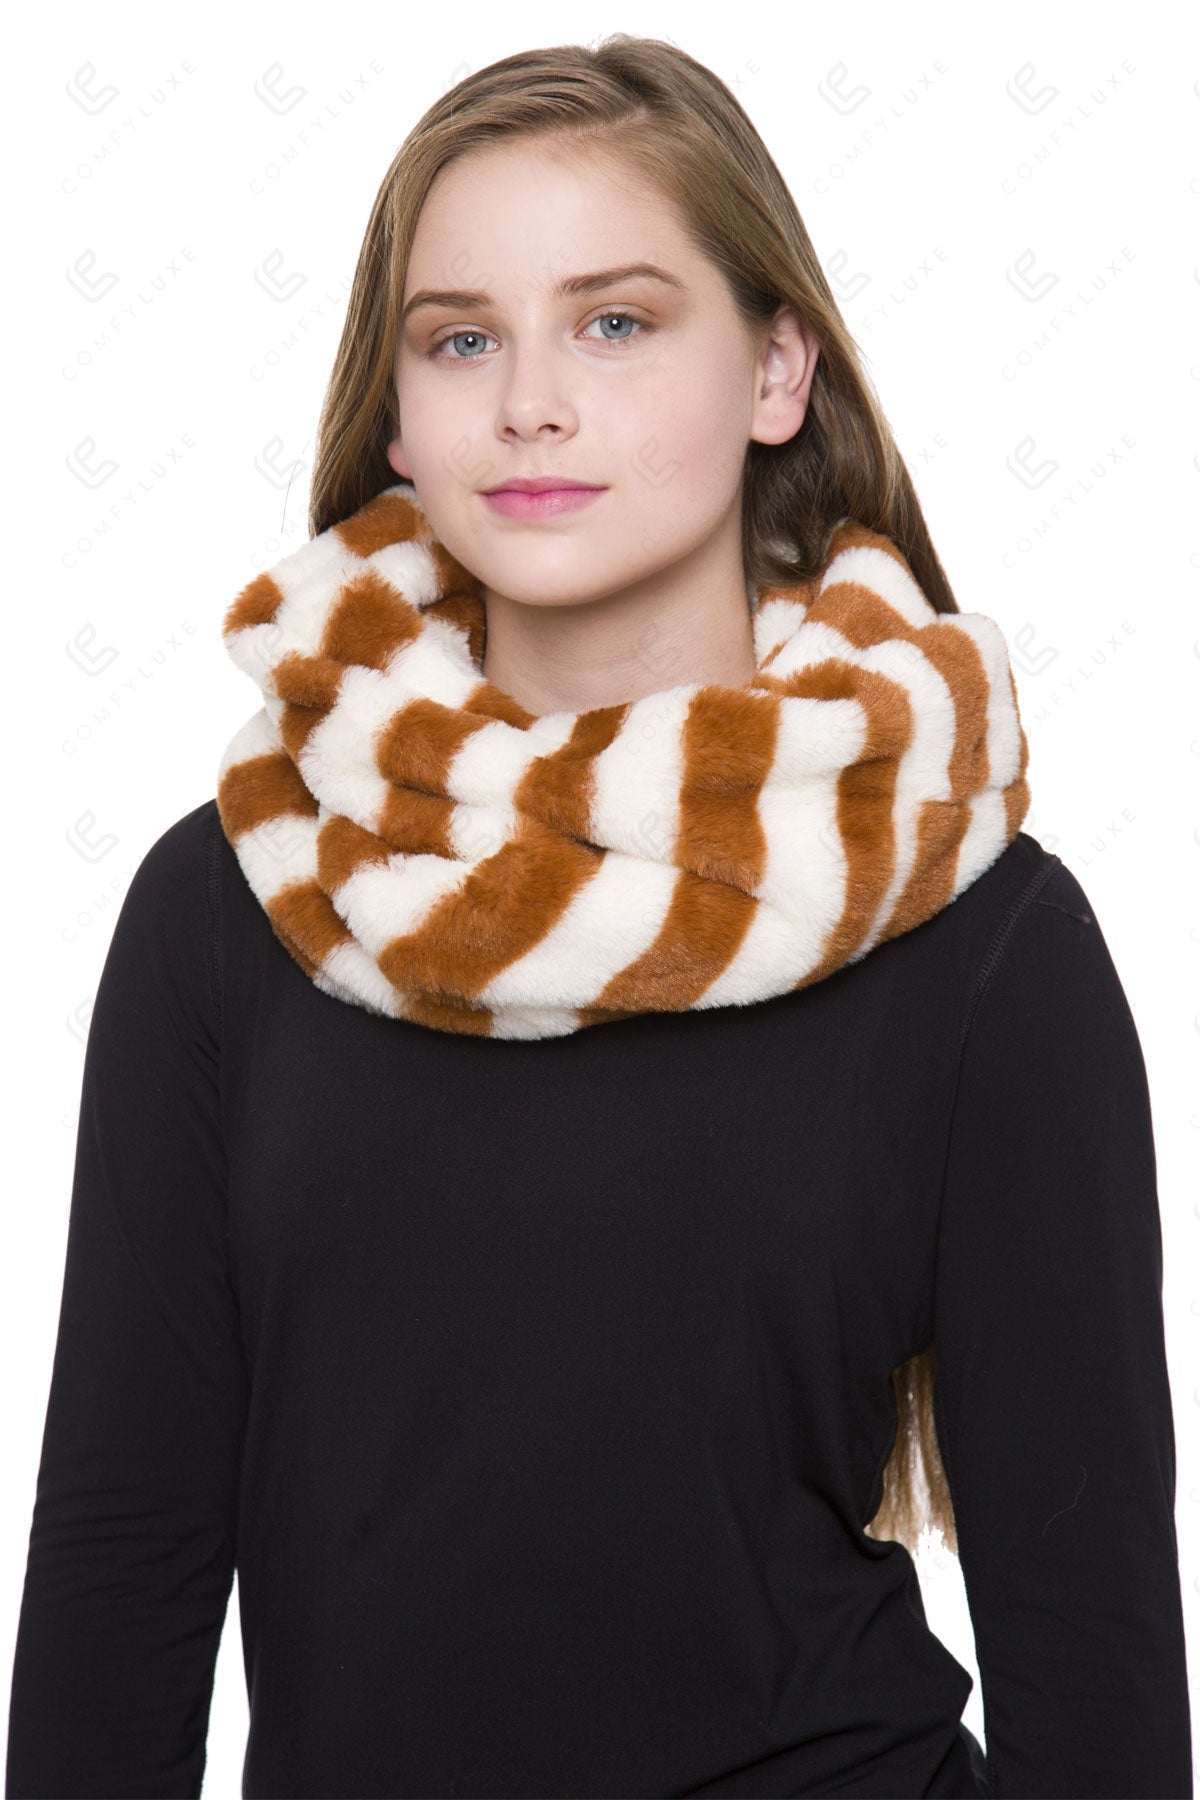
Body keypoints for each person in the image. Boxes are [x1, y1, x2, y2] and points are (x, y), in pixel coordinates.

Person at [6, 34, 1192, 1800]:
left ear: (777, 369)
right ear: (398, 415)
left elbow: (1087, 1638)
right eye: (460, 338)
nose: (529, 404)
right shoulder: (245, 892)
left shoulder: (975, 930)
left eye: (617, 322)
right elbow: (127, 1547)